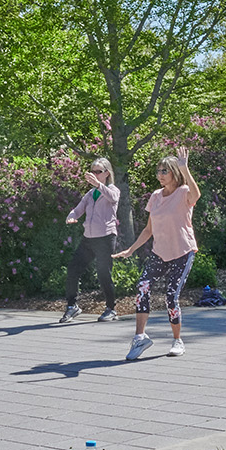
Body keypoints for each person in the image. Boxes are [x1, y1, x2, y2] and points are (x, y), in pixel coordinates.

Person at [113, 147, 200, 360]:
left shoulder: (182, 193)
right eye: (158, 171)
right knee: (142, 287)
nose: (160, 175)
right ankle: (140, 338)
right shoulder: (155, 196)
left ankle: (177, 340)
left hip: (182, 251)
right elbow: (148, 230)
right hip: (159, 252)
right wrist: (130, 250)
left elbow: (196, 195)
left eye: (164, 171)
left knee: (171, 295)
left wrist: (185, 168)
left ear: (174, 173)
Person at [59, 158, 121, 323]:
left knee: (103, 274)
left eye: (98, 171)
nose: (94, 174)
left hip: (105, 238)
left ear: (107, 173)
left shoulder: (112, 189)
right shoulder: (89, 194)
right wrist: (71, 216)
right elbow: (78, 210)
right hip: (88, 239)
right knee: (73, 269)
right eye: (92, 171)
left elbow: (113, 198)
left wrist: (99, 185)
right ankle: (72, 307)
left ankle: (111, 309)